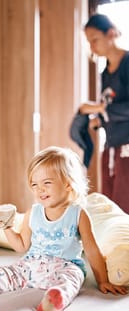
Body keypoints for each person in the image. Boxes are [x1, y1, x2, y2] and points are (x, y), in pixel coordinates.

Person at [0, 146, 127, 311]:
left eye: (46, 183)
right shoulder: (32, 213)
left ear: (68, 184)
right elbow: (21, 246)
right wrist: (7, 227)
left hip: (66, 265)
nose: (39, 189)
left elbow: (92, 250)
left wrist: (103, 281)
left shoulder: (78, 214)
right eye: (34, 184)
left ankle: (55, 299)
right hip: (32, 264)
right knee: (5, 274)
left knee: (72, 279)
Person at [78, 13, 129, 214]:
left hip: (127, 146)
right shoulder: (104, 74)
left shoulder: (127, 63)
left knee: (124, 202)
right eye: (89, 42)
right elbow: (109, 107)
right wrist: (99, 119)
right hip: (110, 146)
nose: (92, 47)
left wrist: (103, 110)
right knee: (110, 204)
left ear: (111, 34)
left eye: (95, 40)